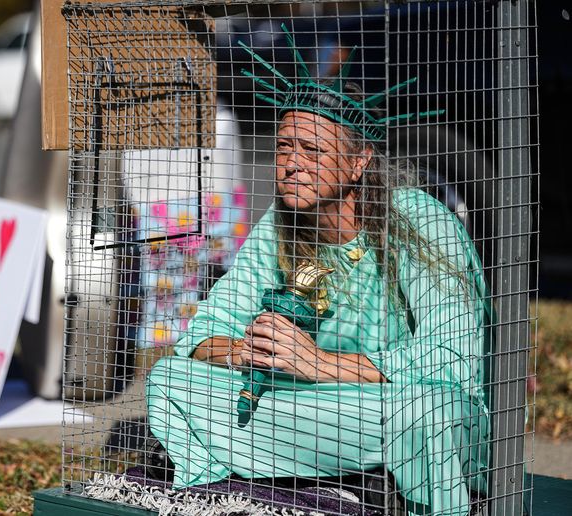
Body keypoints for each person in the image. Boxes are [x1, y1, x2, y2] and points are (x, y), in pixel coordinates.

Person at [146, 31, 492, 516]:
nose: (290, 165)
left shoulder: (417, 219)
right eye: (284, 147)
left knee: (427, 415)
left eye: (311, 151)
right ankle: (227, 498)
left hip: (403, 410)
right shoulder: (280, 225)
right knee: (169, 382)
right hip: (322, 410)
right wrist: (245, 351)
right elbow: (203, 331)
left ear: (357, 162)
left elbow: (452, 360)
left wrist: (318, 363)